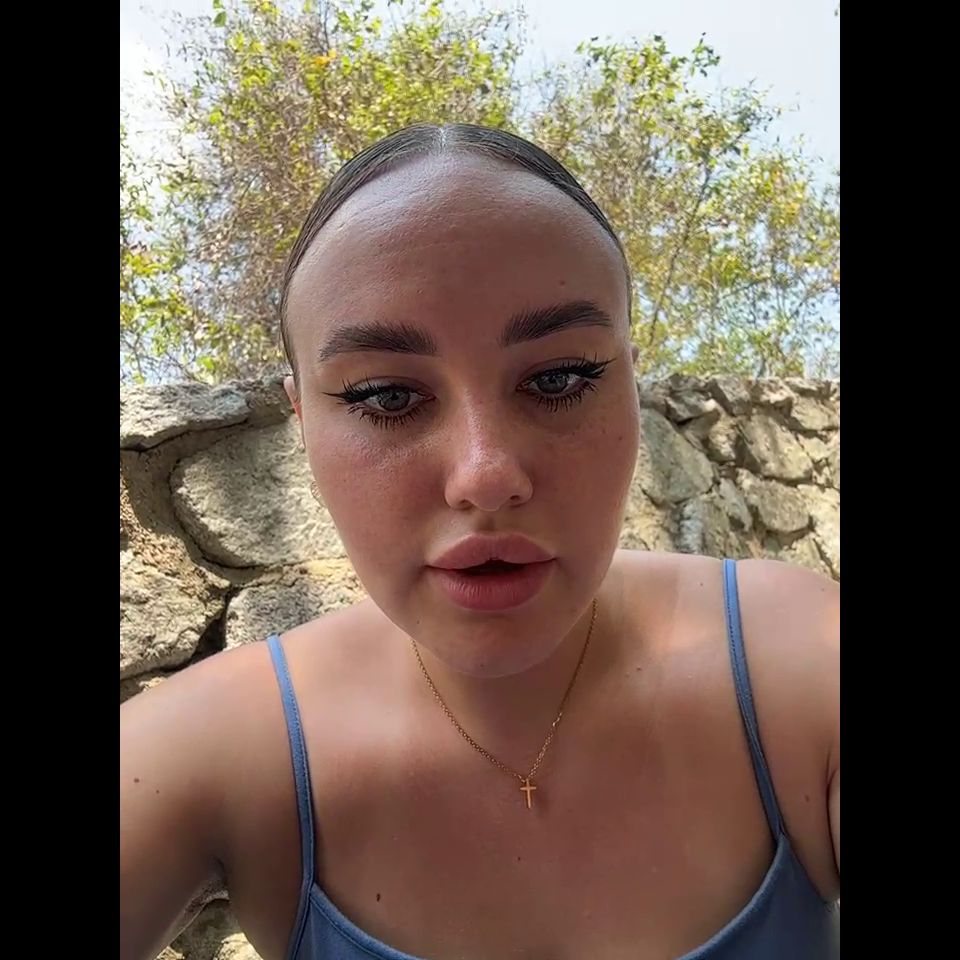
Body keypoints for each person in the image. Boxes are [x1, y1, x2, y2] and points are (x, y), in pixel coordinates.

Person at [120, 123, 840, 960]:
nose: (485, 475)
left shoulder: (800, 662)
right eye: (387, 396)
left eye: (559, 378)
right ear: (302, 421)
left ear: (629, 383)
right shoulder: (212, 749)